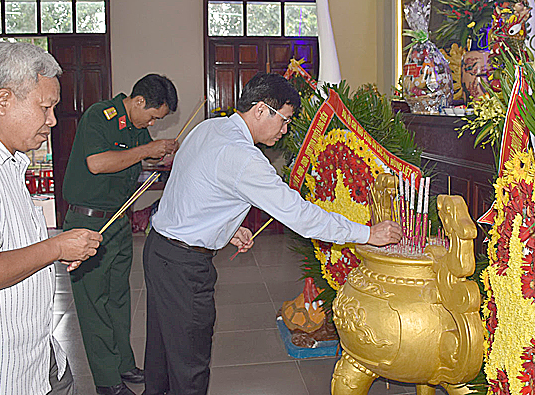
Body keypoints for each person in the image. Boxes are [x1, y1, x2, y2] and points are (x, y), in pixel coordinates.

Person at [143, 72, 402, 395]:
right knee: (189, 365)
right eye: (285, 119)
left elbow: (191, 183)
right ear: (261, 109)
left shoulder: (210, 126)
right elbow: (302, 216)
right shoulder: (244, 158)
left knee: (161, 351)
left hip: (159, 250)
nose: (285, 129)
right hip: (184, 268)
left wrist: (225, 228)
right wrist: (366, 233)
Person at [0, 41, 102, 395]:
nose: (53, 121)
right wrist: (56, 247)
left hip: (36, 359)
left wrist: (56, 251)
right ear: (3, 101)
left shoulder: (7, 162)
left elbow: (11, 250)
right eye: (45, 107)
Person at [62, 74, 179, 395]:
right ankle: (107, 380)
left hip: (117, 221)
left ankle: (123, 363)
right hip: (87, 223)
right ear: (139, 101)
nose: (154, 123)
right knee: (93, 303)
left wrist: (158, 157)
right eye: (154, 116)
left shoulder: (137, 130)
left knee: (118, 298)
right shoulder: (100, 116)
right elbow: (98, 163)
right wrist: (146, 151)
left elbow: (128, 167)